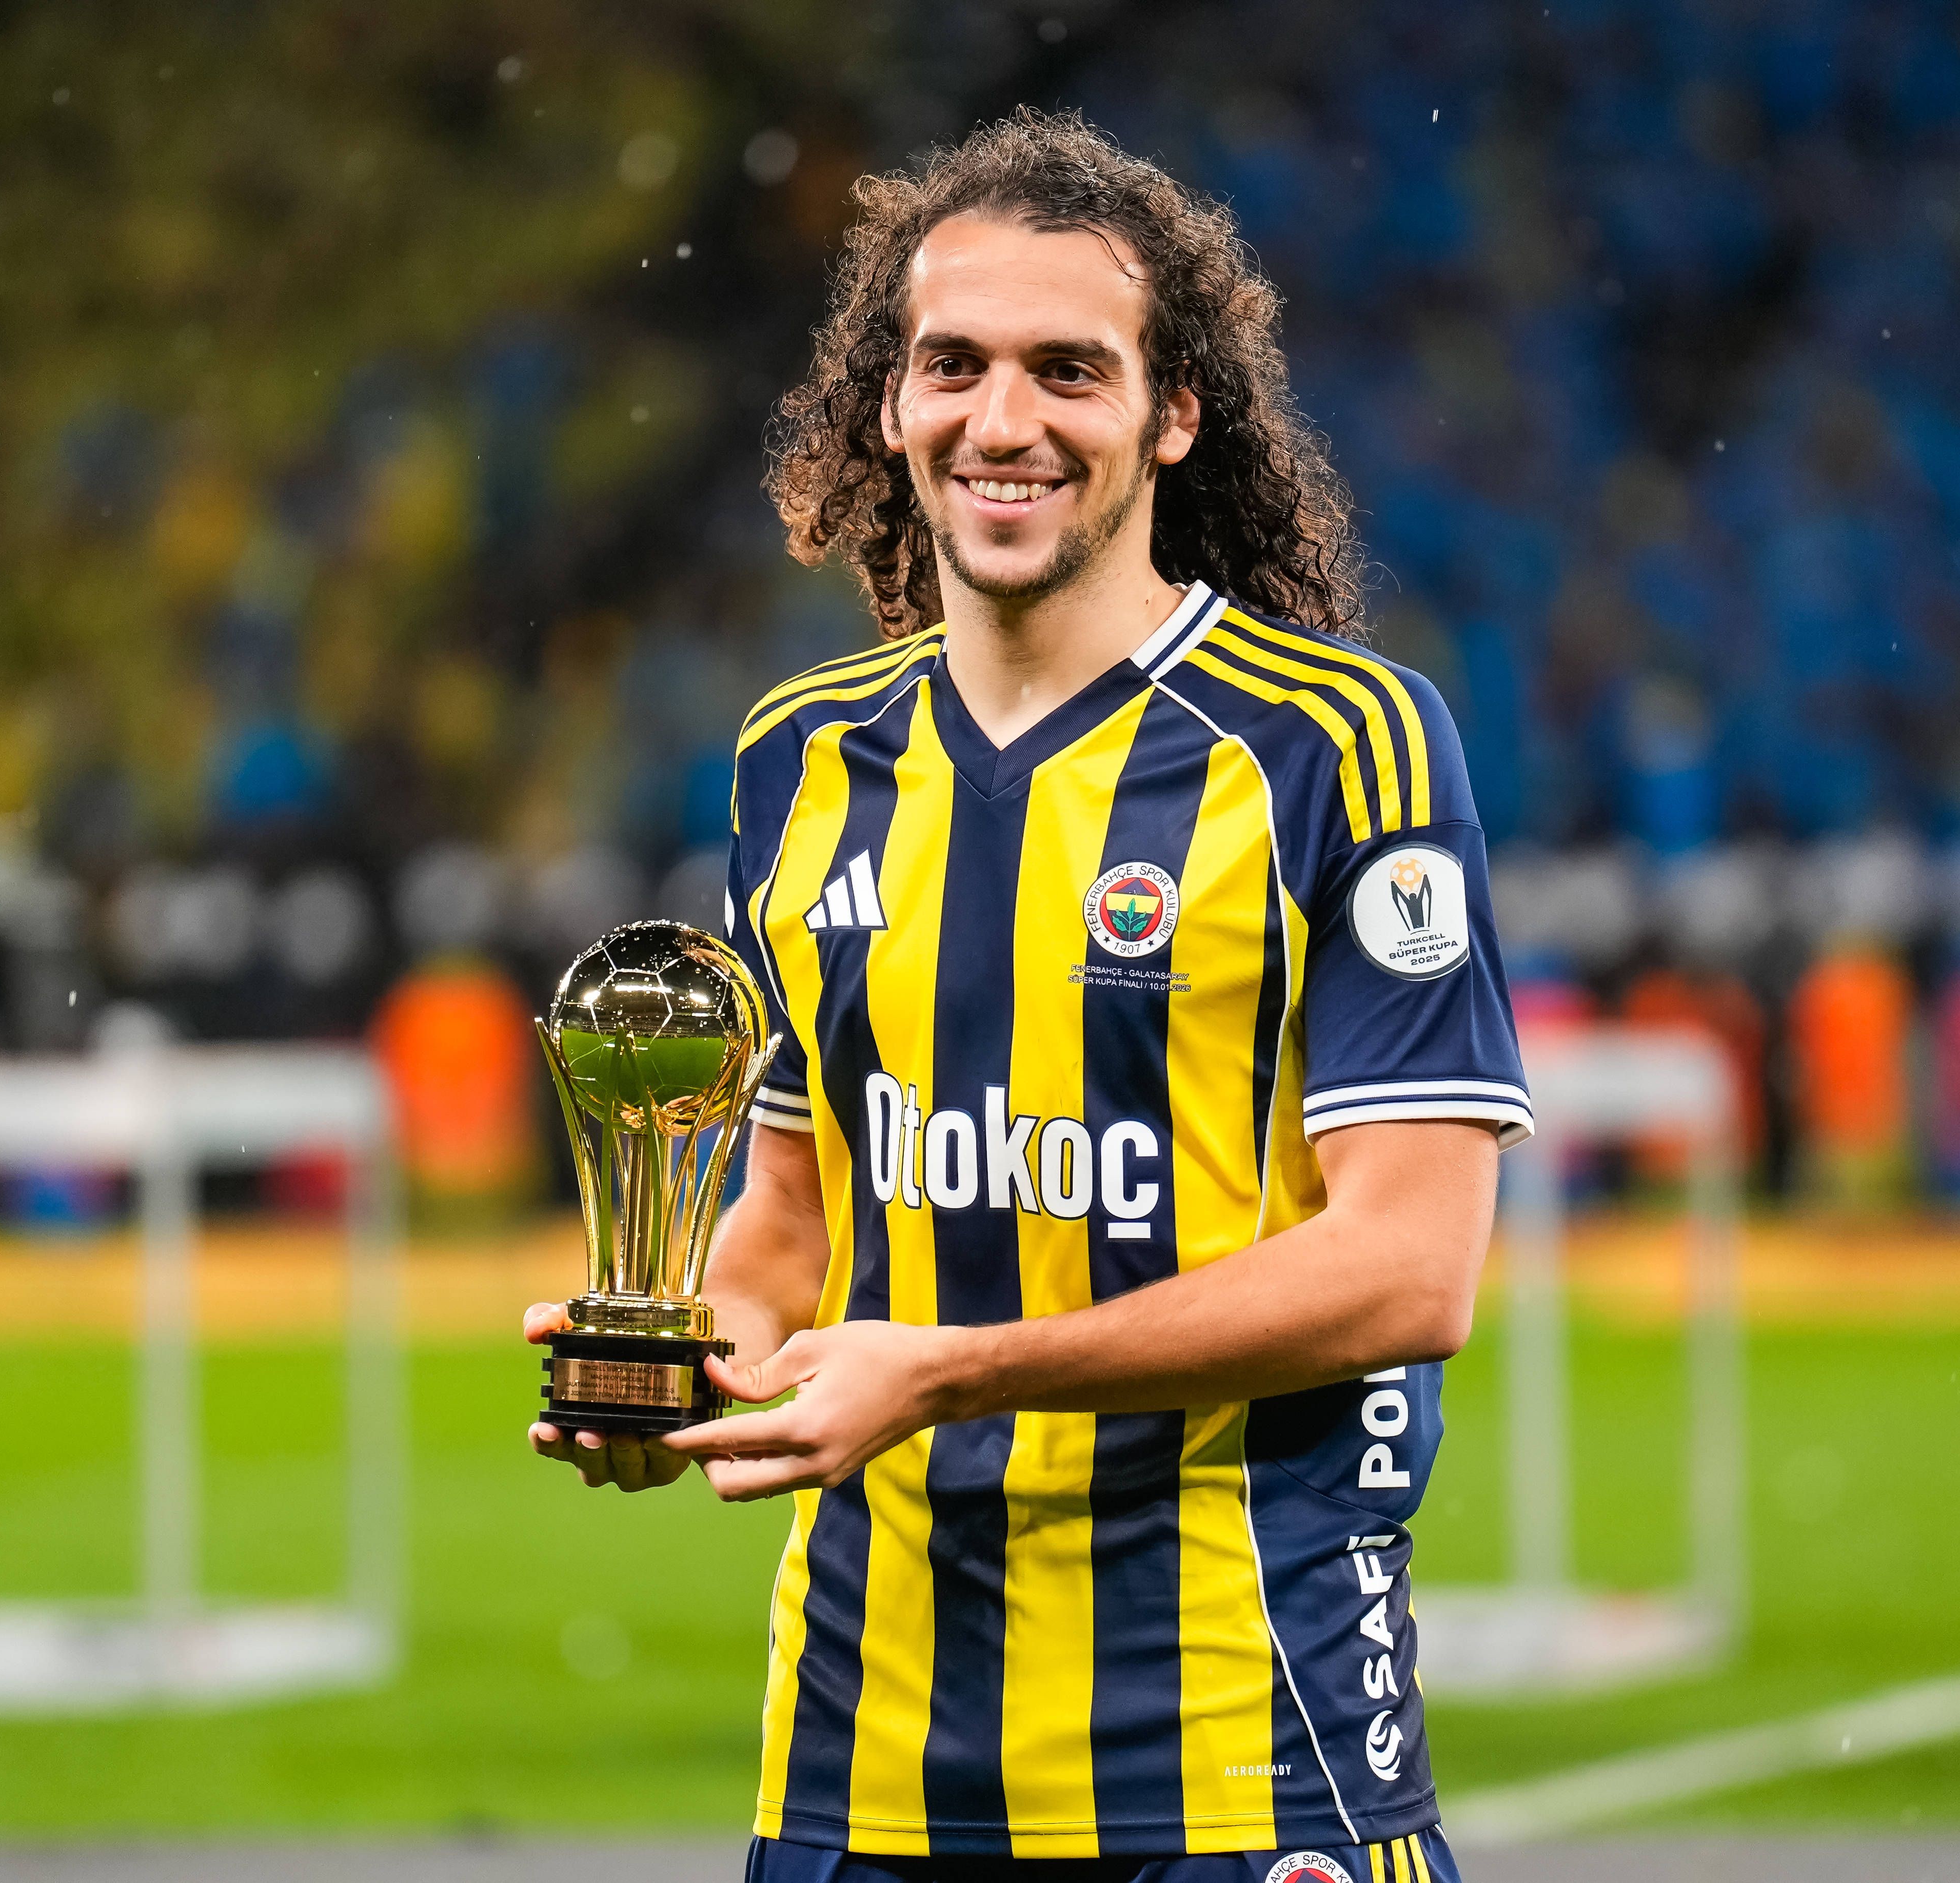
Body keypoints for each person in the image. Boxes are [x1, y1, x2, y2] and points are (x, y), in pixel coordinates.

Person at [527, 109, 1529, 1883]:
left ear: (1171, 413)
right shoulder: (798, 761)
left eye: (1069, 369)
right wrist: (690, 1373)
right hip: (861, 1757)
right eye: (954, 366)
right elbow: (788, 1216)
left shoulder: (1334, 747)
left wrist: (949, 1376)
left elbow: (1408, 1269)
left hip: (1242, 1748)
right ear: (888, 407)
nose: (1004, 421)